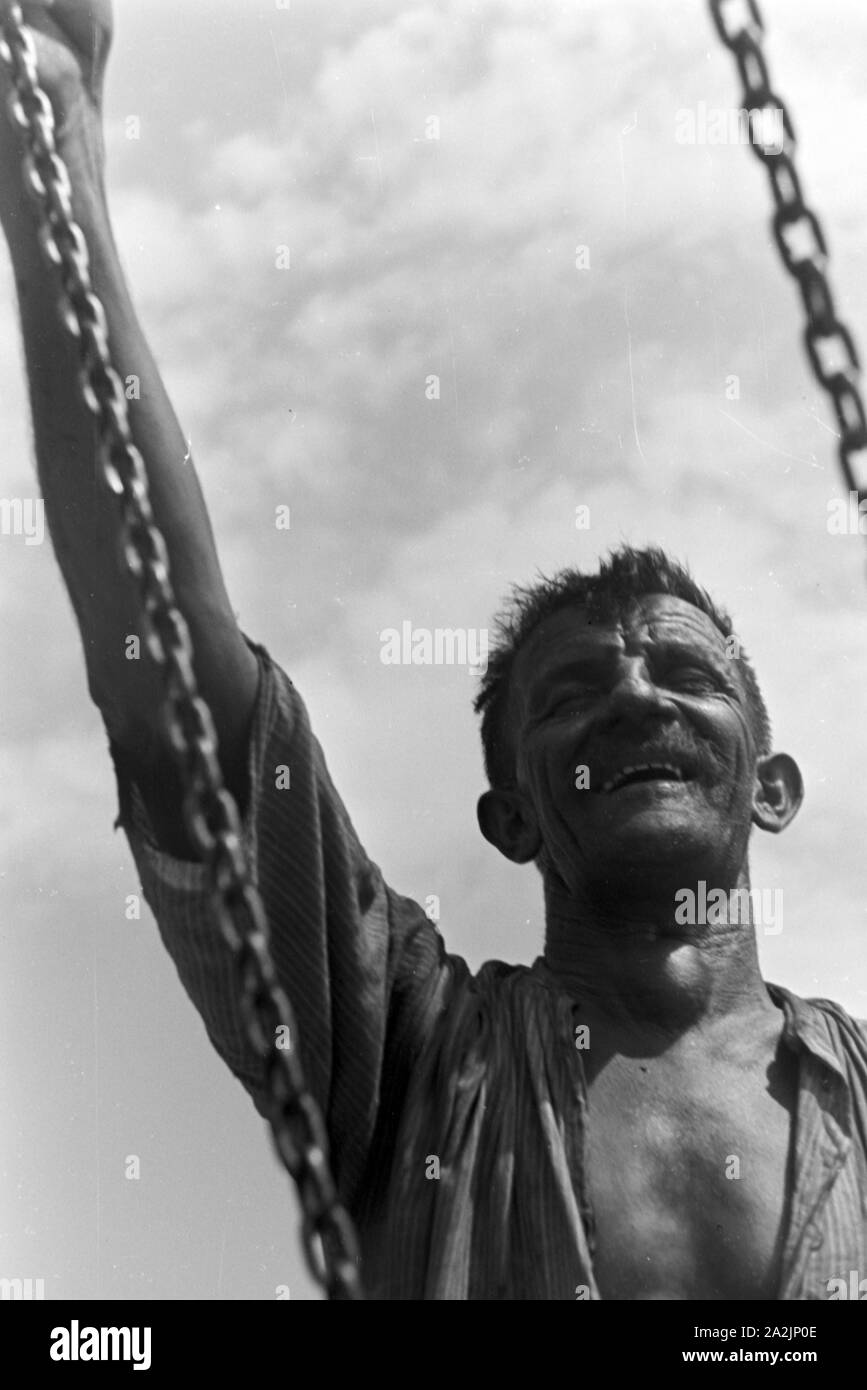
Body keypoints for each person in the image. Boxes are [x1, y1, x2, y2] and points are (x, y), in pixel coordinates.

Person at [2, 0, 865, 1301]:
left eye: (683, 673)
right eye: (574, 691)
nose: (636, 693)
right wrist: (53, 144)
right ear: (509, 815)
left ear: (775, 783)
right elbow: (176, 685)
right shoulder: (415, 1063)